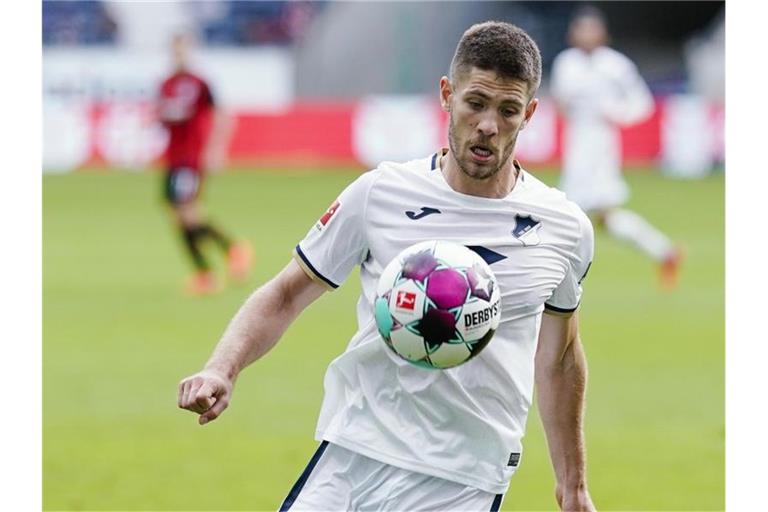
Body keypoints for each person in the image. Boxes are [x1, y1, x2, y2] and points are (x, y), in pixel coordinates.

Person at [178, 21, 596, 511]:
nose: (488, 125)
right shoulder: (381, 193)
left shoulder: (564, 228)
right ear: (446, 94)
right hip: (354, 453)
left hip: (463, 479)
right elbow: (288, 292)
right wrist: (222, 369)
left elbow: (562, 357)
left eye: (507, 111)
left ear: (529, 114)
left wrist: (573, 485)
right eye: (475, 103)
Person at [551, 6, 682, 289]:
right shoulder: (566, 63)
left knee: (572, 212)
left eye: (591, 28)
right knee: (603, 218)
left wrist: (617, 113)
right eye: (581, 28)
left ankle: (559, 279)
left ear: (602, 33)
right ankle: (665, 251)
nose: (586, 34)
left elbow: (642, 103)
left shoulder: (615, 66)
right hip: (578, 142)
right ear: (573, 33)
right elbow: (560, 105)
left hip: (601, 144)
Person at [157, 33, 253, 296]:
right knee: (178, 216)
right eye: (175, 52)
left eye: (183, 51)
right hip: (173, 159)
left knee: (188, 213)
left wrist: (215, 149)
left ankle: (227, 253)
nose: (179, 57)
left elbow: (223, 116)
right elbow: (162, 118)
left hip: (190, 159)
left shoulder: (199, 84)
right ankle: (210, 268)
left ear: (190, 53)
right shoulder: (165, 85)